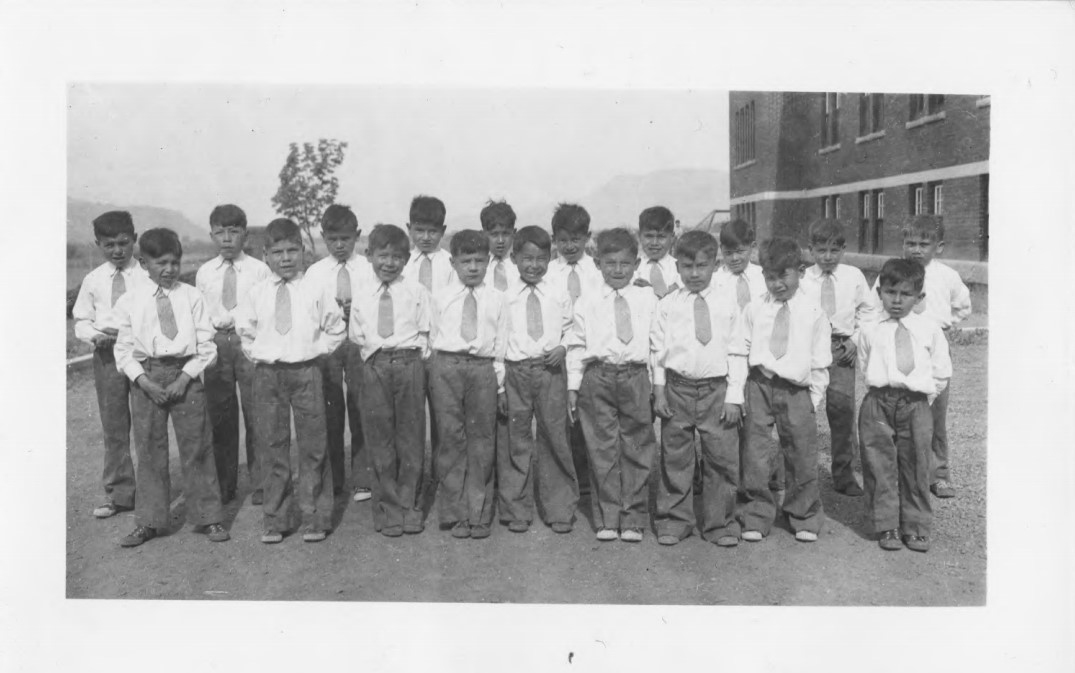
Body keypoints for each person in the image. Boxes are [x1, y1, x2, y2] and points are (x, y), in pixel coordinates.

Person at [112, 228, 228, 547]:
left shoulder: (191, 296)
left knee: (197, 446)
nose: (169, 270)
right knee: (149, 450)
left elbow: (206, 344)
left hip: (185, 376)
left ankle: (209, 517)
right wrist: (144, 381)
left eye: (175, 262)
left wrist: (184, 378)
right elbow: (122, 349)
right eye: (161, 262)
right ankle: (149, 521)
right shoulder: (130, 301)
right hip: (146, 378)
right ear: (142, 262)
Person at [235, 218, 345, 544]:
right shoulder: (256, 293)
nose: (286, 258)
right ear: (266, 255)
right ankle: (276, 518)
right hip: (269, 375)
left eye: (292, 251)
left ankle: (315, 516)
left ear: (302, 252)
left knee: (314, 446)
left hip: (307, 373)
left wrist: (314, 351)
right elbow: (246, 331)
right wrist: (263, 356)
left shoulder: (315, 289)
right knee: (272, 446)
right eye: (278, 252)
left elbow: (336, 329)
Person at [651, 230, 746, 547]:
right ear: (676, 266)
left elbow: (737, 351)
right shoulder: (667, 305)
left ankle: (719, 523)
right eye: (687, 266)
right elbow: (659, 353)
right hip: (677, 388)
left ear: (715, 264)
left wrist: (734, 397)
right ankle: (675, 520)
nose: (694, 274)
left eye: (701, 266)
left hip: (716, 390)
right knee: (675, 457)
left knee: (721, 458)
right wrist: (660, 391)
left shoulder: (728, 304)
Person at [566, 228, 659, 543]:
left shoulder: (647, 297)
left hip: (635, 376)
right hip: (599, 377)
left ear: (636, 264)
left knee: (636, 447)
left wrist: (657, 385)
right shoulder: (587, 300)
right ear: (597, 263)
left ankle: (633, 517)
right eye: (610, 264)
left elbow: (657, 344)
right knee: (602, 448)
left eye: (625, 264)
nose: (618, 271)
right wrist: (574, 386)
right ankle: (608, 516)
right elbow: (577, 345)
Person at [738, 236, 831, 543]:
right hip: (760, 386)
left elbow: (819, 362)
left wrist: (812, 399)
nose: (777, 284)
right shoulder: (754, 309)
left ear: (800, 271)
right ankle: (755, 513)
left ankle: (803, 514)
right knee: (755, 451)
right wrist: (741, 392)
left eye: (784, 275)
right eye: (770, 276)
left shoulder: (814, 312)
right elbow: (743, 348)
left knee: (802, 453)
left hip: (796, 390)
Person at [872, 215, 971, 499]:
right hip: (900, 343)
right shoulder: (890, 273)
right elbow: (875, 306)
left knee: (935, 413)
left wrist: (940, 327)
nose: (916, 249)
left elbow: (962, 306)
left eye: (923, 244)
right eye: (910, 243)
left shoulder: (947, 276)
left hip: (932, 346)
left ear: (938, 247)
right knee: (898, 410)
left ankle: (938, 474)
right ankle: (901, 472)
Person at [858, 258, 952, 552]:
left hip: (915, 404)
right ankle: (887, 525)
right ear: (880, 293)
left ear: (919, 297)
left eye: (905, 294)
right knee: (879, 463)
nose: (897, 300)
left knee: (916, 463)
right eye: (890, 292)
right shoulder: (870, 329)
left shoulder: (929, 329)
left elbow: (940, 372)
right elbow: (865, 365)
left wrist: (922, 400)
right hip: (878, 402)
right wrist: (883, 393)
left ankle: (915, 526)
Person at [349, 224, 432, 538]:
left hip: (409, 362)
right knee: (379, 440)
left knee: (410, 439)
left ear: (407, 259)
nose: (389, 263)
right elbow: (357, 333)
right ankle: (388, 510)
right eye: (382, 256)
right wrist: (376, 359)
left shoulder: (416, 292)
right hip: (375, 364)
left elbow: (426, 331)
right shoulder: (362, 294)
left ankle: (410, 507)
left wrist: (412, 360)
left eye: (397, 257)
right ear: (369, 255)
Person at [498, 226, 578, 534]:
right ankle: (516, 509)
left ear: (550, 257)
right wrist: (501, 384)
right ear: (514, 258)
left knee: (555, 438)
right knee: (515, 441)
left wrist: (562, 346)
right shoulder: (503, 298)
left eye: (541, 258)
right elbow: (496, 341)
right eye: (527, 258)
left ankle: (559, 508)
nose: (534, 265)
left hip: (550, 371)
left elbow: (573, 329)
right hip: (516, 371)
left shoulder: (558, 293)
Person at [428, 230, 508, 539]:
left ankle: (478, 512)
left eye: (479, 261)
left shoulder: (497, 299)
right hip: (447, 366)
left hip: (482, 369)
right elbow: (433, 334)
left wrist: (499, 386)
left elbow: (500, 344)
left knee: (481, 440)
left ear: (488, 262)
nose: (472, 267)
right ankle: (455, 513)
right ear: (453, 262)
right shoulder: (441, 297)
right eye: (466, 261)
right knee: (451, 439)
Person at [73, 210, 151, 519]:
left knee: (147, 424)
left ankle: (151, 491)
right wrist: (94, 336)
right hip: (106, 355)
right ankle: (119, 494)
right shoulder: (93, 280)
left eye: (123, 243)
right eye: (109, 245)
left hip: (139, 352)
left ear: (134, 238)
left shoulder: (147, 275)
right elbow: (81, 319)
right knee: (115, 425)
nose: (117, 251)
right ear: (98, 244)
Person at [195, 204, 272, 505]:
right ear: (212, 235)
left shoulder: (259, 269)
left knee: (258, 415)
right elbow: (200, 314)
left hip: (248, 343)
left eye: (234, 232)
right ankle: (225, 485)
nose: (227, 239)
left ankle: (263, 484)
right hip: (217, 343)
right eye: (220, 232)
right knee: (221, 416)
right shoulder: (204, 273)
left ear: (245, 234)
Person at [799, 218, 877, 496]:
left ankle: (844, 475)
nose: (827, 256)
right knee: (801, 411)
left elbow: (868, 312)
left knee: (842, 412)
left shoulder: (854, 276)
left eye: (834, 250)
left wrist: (856, 340)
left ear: (843, 249)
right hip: (810, 351)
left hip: (842, 350)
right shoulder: (803, 278)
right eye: (821, 250)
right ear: (810, 250)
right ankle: (794, 473)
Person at [303, 204, 373, 502]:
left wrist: (357, 308)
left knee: (362, 408)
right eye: (333, 239)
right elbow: (307, 312)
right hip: (328, 346)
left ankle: (363, 478)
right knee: (329, 410)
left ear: (357, 235)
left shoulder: (369, 269)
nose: (340, 245)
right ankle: (334, 478)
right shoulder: (315, 273)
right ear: (323, 237)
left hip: (360, 344)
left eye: (346, 238)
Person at [546, 203, 603, 495]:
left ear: (587, 237)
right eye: (563, 239)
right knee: (562, 416)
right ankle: (568, 480)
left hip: (588, 351)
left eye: (576, 239)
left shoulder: (598, 269)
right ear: (554, 239)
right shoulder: (547, 273)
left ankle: (589, 479)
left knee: (588, 415)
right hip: (557, 354)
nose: (570, 246)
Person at [402, 195, 454, 491]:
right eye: (419, 230)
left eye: (432, 231)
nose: (425, 237)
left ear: (443, 230)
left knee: (444, 415)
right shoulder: (403, 263)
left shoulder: (450, 263)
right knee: (411, 417)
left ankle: (443, 474)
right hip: (410, 348)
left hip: (442, 348)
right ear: (409, 228)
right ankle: (413, 477)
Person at [632, 205, 680, 299]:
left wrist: (651, 292)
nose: (654, 243)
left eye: (661, 237)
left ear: (672, 237)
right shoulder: (632, 269)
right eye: (649, 236)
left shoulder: (680, 269)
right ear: (639, 236)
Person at [480, 199, 520, 291]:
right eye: (494, 234)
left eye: (506, 234)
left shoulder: (520, 265)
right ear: (483, 234)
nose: (501, 240)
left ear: (514, 233)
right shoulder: (478, 266)